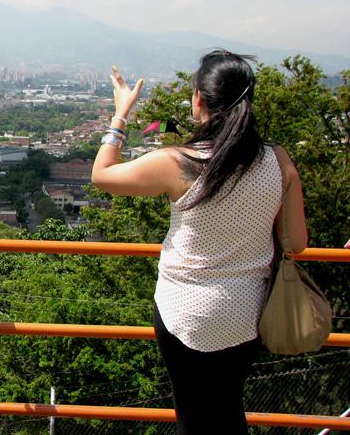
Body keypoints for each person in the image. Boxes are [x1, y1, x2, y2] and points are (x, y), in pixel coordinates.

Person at [91, 51, 308, 435]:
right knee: (227, 409)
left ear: (199, 101)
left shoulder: (180, 161)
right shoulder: (277, 160)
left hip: (184, 312)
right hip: (249, 312)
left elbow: (102, 175)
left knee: (193, 415)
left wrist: (121, 115)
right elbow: (297, 241)